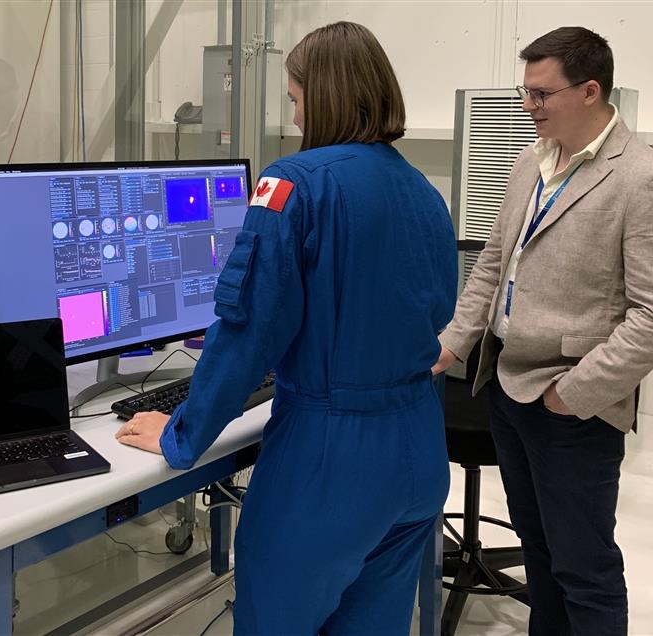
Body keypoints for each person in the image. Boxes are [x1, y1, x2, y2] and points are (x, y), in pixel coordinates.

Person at [115, 21, 457, 635]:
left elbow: (248, 332)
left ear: (321, 96)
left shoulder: (292, 184)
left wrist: (181, 434)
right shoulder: (423, 191)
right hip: (418, 453)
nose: (296, 117)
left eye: (296, 99)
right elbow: (436, 311)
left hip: (330, 464)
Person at [433, 26, 653, 635]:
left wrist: (572, 393)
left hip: (571, 406)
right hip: (506, 385)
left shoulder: (647, 180)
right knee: (540, 552)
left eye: (542, 94)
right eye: (525, 91)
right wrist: (454, 342)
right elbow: (494, 264)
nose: (528, 106)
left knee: (584, 566)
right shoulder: (532, 159)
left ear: (590, 91)